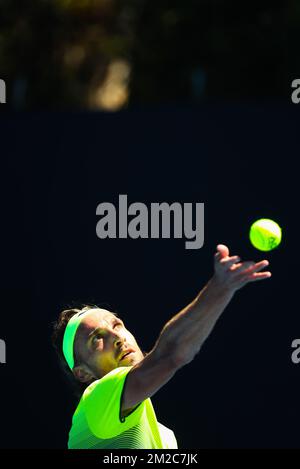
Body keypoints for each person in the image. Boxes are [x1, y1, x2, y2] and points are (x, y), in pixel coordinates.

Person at [52, 244, 271, 449]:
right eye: (96, 339)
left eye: (117, 325)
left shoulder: (165, 437)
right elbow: (170, 354)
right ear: (82, 373)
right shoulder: (95, 401)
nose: (116, 337)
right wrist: (221, 288)